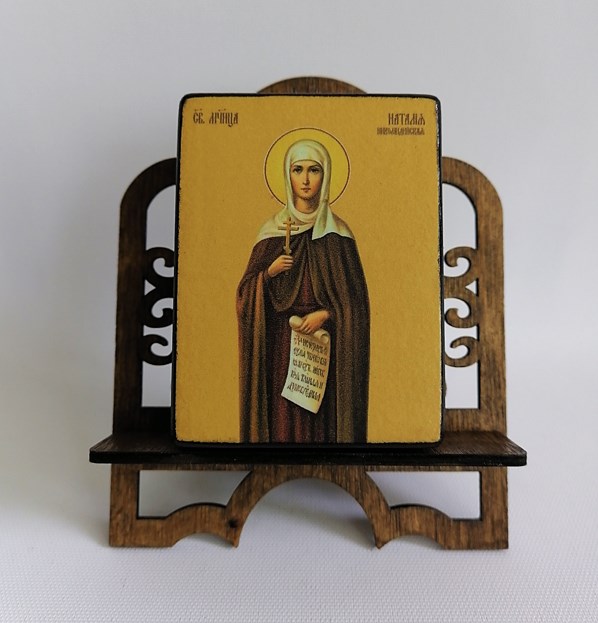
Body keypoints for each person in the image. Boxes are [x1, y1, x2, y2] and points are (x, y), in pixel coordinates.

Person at [237, 138, 369, 443]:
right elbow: (244, 296)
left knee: (321, 427)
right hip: (281, 348)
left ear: (326, 176)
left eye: (314, 170)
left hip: (324, 348)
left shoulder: (339, 235)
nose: (306, 179)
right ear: (288, 175)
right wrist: (268, 274)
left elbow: (357, 306)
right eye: (298, 170)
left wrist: (327, 314)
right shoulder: (270, 233)